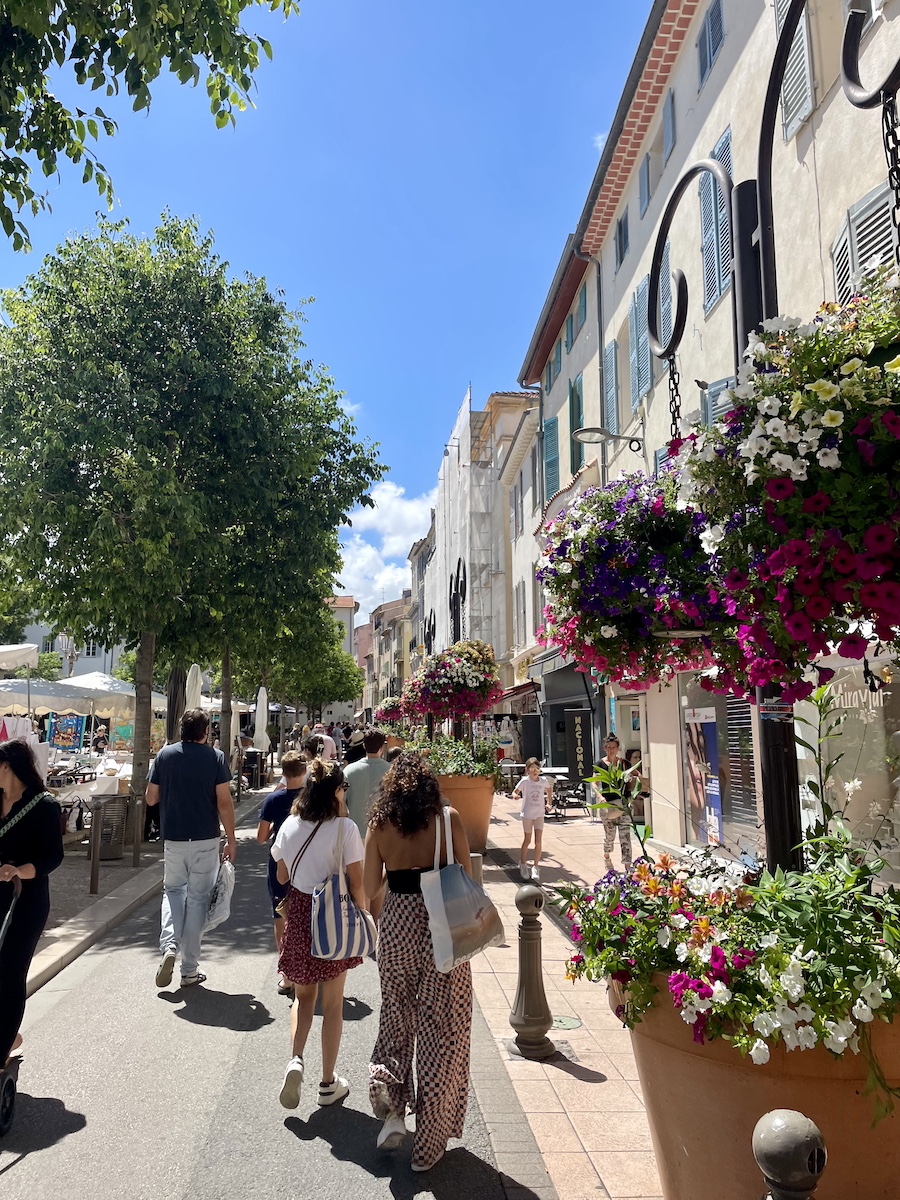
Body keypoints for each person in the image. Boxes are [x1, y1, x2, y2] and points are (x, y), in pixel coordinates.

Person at [365, 752, 473, 1172]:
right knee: (439, 1031)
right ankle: (428, 1145)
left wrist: (400, 867)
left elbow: (371, 886)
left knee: (395, 1017)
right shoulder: (450, 820)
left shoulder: (379, 825)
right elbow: (468, 878)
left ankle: (393, 1110)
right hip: (442, 928)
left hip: (395, 927)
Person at [272, 758, 366, 1110]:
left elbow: (282, 876)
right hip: (334, 917)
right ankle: (328, 1082)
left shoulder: (291, 825)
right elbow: (356, 882)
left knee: (303, 997)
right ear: (338, 791)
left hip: (298, 914)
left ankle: (296, 1059)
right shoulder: (346, 829)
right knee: (334, 1003)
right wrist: (365, 915)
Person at [147, 708, 236, 989]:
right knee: (198, 900)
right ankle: (189, 970)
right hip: (205, 839)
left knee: (173, 891)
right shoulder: (215, 757)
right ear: (205, 731)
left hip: (173, 838)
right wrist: (231, 840)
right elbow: (224, 802)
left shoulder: (165, 755)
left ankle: (169, 946)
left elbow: (151, 798)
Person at [0, 740, 64, 1067]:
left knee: (10, 971)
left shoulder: (44, 805)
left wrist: (19, 871)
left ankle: (3, 1044)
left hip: (26, 901)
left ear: (7, 766)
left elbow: (54, 855)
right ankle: (7, 1036)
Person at [257, 749, 308, 997]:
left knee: (280, 914)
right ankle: (307, 968)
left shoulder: (273, 800)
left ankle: (287, 975)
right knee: (307, 911)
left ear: (283, 772)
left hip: (280, 861)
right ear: (304, 770)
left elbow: (260, 837)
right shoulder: (313, 798)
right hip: (309, 861)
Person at [512, 757, 553, 882]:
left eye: (537, 769)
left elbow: (549, 788)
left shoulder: (543, 781)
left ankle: (536, 866)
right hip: (527, 814)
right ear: (527, 770)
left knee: (538, 841)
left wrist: (549, 802)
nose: (534, 772)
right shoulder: (525, 781)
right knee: (527, 839)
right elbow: (515, 791)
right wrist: (516, 796)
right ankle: (523, 864)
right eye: (532, 769)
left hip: (539, 813)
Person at [343, 729, 390, 838]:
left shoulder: (349, 771)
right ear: (382, 747)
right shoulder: (391, 771)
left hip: (355, 832)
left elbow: (341, 804)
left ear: (364, 745)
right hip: (383, 832)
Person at [597, 734, 632, 874]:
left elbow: (635, 774)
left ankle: (628, 866)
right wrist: (599, 796)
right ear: (605, 748)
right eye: (608, 747)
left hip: (624, 803)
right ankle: (607, 856)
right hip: (609, 805)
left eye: (613, 747)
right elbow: (594, 782)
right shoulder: (600, 765)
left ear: (618, 748)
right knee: (610, 835)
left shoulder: (624, 764)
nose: (611, 750)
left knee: (625, 834)